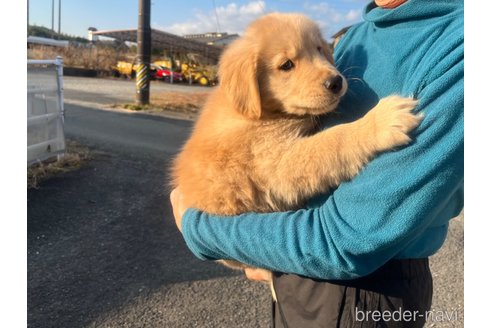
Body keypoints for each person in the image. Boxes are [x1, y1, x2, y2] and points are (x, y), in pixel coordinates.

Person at [170, 0, 464, 326]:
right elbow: (291, 169)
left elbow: (348, 238)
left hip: (371, 288)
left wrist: (202, 230)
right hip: (289, 257)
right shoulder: (359, 35)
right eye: (286, 65)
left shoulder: (461, 45)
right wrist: (251, 252)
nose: (329, 72)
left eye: (322, 51)